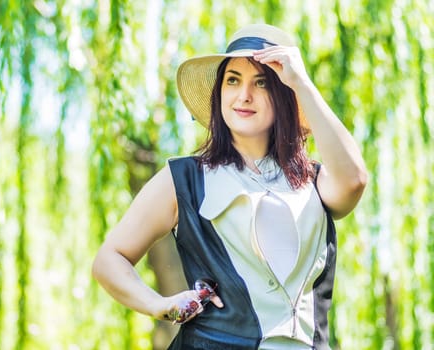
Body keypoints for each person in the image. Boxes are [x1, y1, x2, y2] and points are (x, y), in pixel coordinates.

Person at [92, 23, 367, 349]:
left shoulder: (315, 180)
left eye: (261, 82)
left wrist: (302, 83)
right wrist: (159, 305)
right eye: (232, 80)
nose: (244, 95)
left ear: (283, 95)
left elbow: (355, 181)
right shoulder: (185, 179)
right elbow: (109, 259)